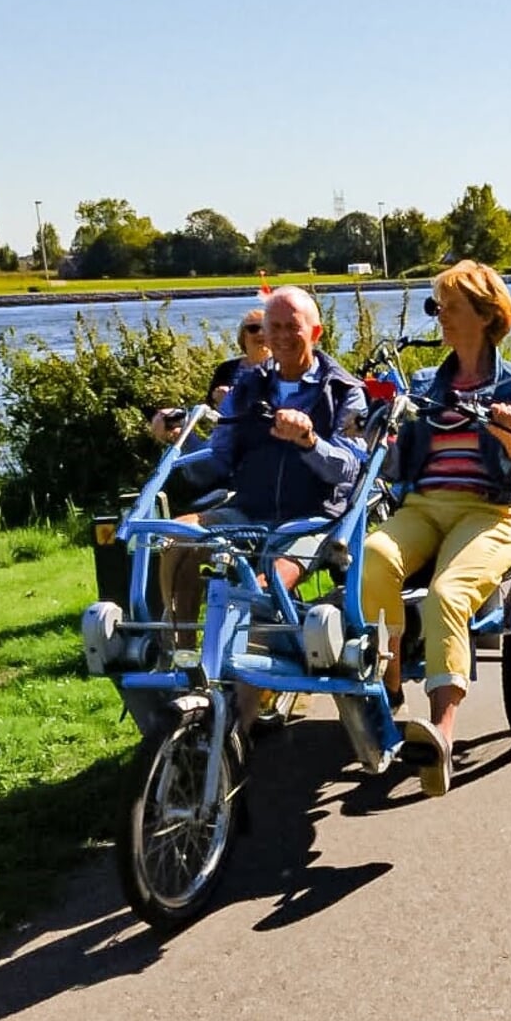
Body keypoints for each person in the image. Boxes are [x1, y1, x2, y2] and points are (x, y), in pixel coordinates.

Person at [360, 260, 511, 797]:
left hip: (490, 512)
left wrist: (509, 437)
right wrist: (380, 432)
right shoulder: (422, 384)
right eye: (437, 305)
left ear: (486, 316)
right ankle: (392, 695)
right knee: (372, 556)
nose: (440, 315)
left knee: (446, 594)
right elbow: (395, 461)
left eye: (452, 307)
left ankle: (440, 736)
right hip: (422, 506)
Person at [148, 287, 368, 727]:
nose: (283, 336)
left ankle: (242, 727)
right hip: (249, 509)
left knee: (262, 589)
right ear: (264, 333)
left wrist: (309, 441)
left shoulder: (344, 390)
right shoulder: (248, 386)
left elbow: (350, 468)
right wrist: (180, 438)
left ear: (316, 332)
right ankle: (187, 660)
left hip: (313, 519)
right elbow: (217, 462)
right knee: (176, 536)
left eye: (294, 327)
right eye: (275, 327)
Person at [207, 306, 270, 408]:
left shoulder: (283, 368)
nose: (260, 333)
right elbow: (210, 407)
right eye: (253, 329)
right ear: (243, 335)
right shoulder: (226, 369)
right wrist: (217, 397)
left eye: (266, 327)